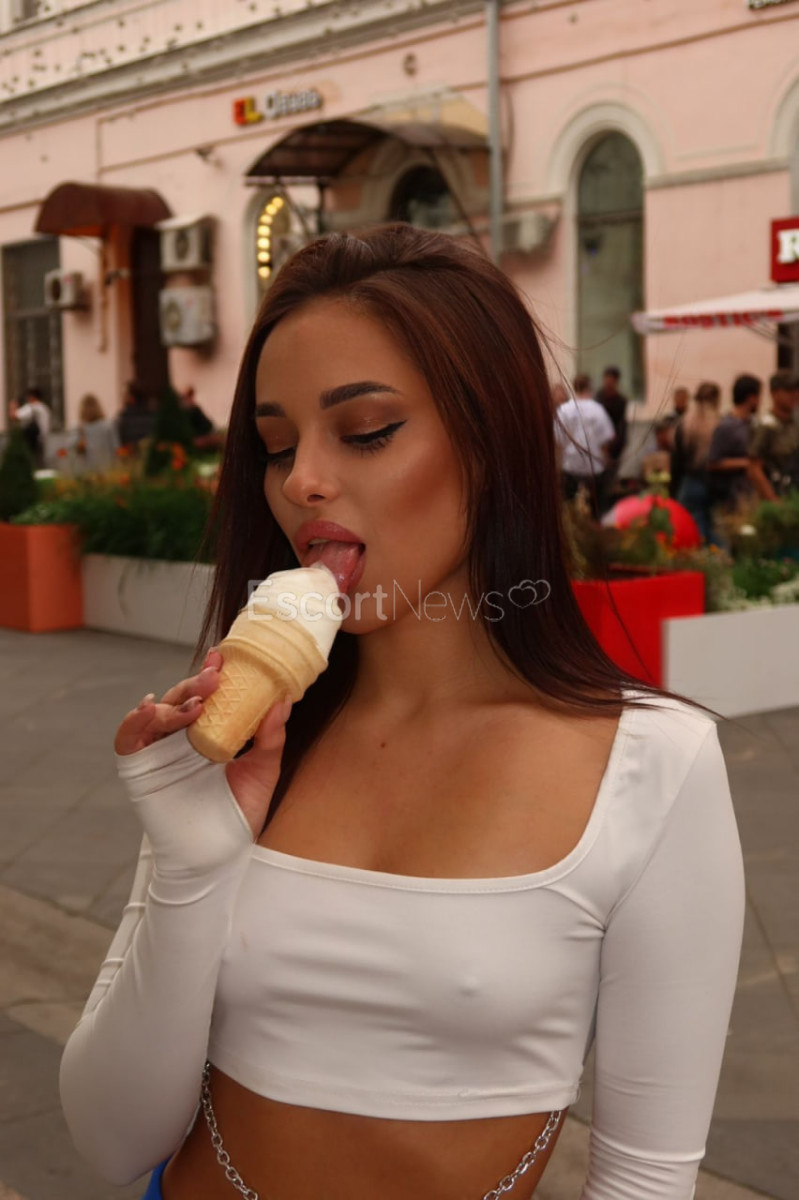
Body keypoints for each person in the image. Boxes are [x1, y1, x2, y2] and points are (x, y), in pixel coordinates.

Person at [60, 226, 744, 1200]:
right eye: (276, 446)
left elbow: (643, 1179)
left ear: (492, 443)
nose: (301, 480)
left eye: (368, 430)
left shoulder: (655, 763)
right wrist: (190, 867)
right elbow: (110, 1140)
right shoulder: (244, 740)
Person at [554, 373, 615, 516]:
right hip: (593, 467)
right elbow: (606, 439)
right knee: (595, 512)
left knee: (570, 511)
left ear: (574, 387)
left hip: (570, 467)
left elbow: (557, 440)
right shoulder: (598, 410)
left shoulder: (564, 410)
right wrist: (606, 459)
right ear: (590, 388)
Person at [670, 382, 721, 543]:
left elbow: (676, 462)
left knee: (692, 533)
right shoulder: (720, 424)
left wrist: (673, 490)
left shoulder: (684, 424)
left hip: (689, 482)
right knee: (717, 532)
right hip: (715, 484)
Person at [706, 374, 761, 514]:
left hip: (750, 494)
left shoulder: (753, 424)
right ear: (751, 398)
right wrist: (747, 463)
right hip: (731, 498)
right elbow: (713, 462)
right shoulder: (727, 426)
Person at [747, 371, 799, 501]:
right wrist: (774, 500)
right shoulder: (765, 426)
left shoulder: (794, 424)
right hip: (778, 493)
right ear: (774, 393)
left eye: (796, 390)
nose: (795, 395)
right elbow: (754, 468)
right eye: (789, 391)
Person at [593, 366, 628, 513]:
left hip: (613, 447)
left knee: (608, 485)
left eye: (611, 380)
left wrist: (616, 446)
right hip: (597, 447)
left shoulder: (621, 401)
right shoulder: (597, 398)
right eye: (606, 379)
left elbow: (621, 426)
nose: (608, 383)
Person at [69, 393, 120, 474]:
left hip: (100, 469)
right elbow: (73, 449)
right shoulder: (79, 428)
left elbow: (116, 449)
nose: (89, 410)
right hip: (93, 470)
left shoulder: (107, 426)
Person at [10, 386, 51, 469]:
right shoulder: (44, 408)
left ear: (32, 397)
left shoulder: (31, 407)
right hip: (42, 438)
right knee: (40, 462)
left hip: (31, 440)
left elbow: (14, 416)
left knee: (30, 462)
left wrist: (12, 406)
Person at [180, 385, 224, 452]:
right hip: (199, 437)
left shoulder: (194, 409)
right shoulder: (190, 410)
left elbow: (207, 424)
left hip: (205, 433)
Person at [118, 380, 156, 451]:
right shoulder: (153, 416)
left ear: (132, 398)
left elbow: (121, 445)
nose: (123, 397)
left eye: (125, 394)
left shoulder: (125, 419)